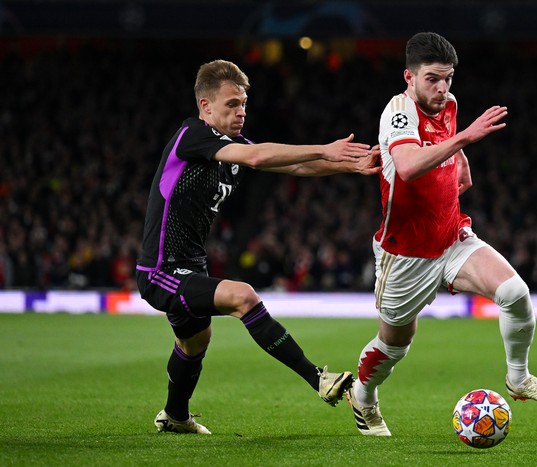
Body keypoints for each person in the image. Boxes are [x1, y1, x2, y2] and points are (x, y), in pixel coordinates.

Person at [135, 59, 380, 434]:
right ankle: (318, 379)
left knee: (194, 341)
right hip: (161, 270)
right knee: (244, 296)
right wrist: (324, 148)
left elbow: (293, 168)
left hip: (191, 266)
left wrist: (349, 166)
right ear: (206, 106)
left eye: (244, 103)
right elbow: (257, 156)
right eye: (232, 103)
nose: (241, 111)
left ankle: (175, 417)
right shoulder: (192, 135)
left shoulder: (230, 148)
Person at [346, 32, 537, 437]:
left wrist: (460, 161)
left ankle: (518, 377)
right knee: (394, 344)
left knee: (514, 293)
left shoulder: (448, 104)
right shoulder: (398, 112)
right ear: (409, 77)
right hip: (407, 253)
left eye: (447, 78)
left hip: (451, 236)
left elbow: (449, 145)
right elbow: (410, 165)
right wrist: (466, 138)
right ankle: (362, 397)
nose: (442, 88)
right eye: (432, 78)